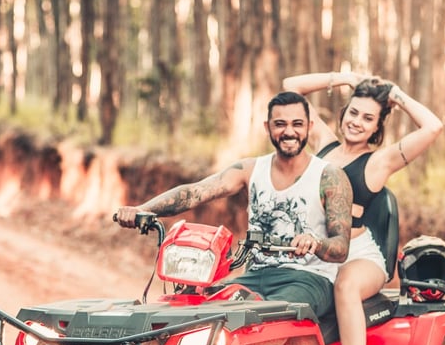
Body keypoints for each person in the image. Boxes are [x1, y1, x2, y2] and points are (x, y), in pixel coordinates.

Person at [282, 71, 443, 345]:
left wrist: (396, 95)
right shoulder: (322, 143)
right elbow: (290, 87)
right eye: (353, 113)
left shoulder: (378, 162)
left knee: (346, 286)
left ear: (376, 128)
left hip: (360, 255)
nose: (357, 122)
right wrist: (340, 78)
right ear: (344, 113)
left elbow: (433, 128)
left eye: (367, 118)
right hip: (318, 252)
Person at [115, 91, 352, 319]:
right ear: (267, 127)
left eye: (297, 124)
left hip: (308, 279)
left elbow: (341, 248)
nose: (289, 131)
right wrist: (142, 210)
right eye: (280, 124)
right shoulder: (251, 169)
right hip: (254, 276)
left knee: (267, 317)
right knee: (200, 312)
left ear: (309, 127)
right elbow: (195, 192)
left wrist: (316, 243)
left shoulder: (329, 176)